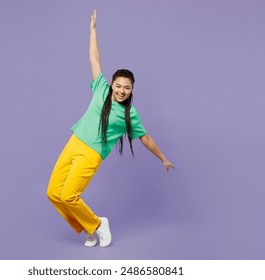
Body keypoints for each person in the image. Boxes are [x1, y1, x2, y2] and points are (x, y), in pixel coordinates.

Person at [47, 10, 175, 247]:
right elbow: (95, 60)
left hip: (92, 153)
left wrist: (163, 159)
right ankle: (88, 227)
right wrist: (92, 31)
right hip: (74, 142)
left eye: (126, 88)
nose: (121, 90)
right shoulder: (101, 89)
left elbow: (145, 139)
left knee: (68, 196)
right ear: (112, 84)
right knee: (53, 193)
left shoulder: (130, 114)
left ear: (131, 90)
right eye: (118, 85)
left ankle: (96, 225)